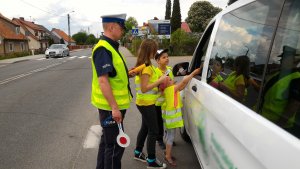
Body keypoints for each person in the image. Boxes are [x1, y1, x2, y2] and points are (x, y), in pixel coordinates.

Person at [91, 13, 133, 169]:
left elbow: (112, 75)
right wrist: (115, 108)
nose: (123, 30)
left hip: (112, 107)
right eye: (121, 27)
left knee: (107, 143)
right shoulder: (103, 48)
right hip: (111, 108)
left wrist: (128, 74)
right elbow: (103, 81)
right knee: (115, 147)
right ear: (111, 27)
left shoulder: (110, 46)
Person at [133, 39, 168, 168]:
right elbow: (144, 88)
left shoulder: (144, 65)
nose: (156, 52)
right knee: (153, 130)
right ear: (150, 51)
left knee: (145, 128)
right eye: (155, 50)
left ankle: (137, 152)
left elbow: (146, 86)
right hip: (146, 104)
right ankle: (151, 161)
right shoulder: (146, 67)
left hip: (144, 102)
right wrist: (161, 81)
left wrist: (158, 81)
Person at [159, 68, 201, 166]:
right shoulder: (171, 89)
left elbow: (182, 86)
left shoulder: (167, 90)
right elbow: (183, 82)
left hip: (168, 119)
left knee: (168, 135)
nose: (172, 80)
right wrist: (193, 73)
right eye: (169, 80)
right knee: (171, 137)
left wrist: (181, 82)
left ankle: (167, 151)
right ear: (166, 85)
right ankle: (168, 156)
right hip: (171, 119)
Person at [260, 46, 300, 138]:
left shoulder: (297, 78)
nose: (281, 60)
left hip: (278, 127)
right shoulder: (279, 73)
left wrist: (278, 128)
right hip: (264, 121)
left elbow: (293, 105)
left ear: (295, 60)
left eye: (284, 58)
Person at [154, 49, 174, 150]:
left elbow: (173, 82)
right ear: (158, 61)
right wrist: (162, 86)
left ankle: (169, 139)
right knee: (159, 123)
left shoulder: (170, 69)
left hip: (169, 102)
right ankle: (160, 139)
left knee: (169, 121)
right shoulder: (155, 72)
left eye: (167, 56)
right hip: (159, 103)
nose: (167, 59)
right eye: (163, 57)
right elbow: (155, 87)